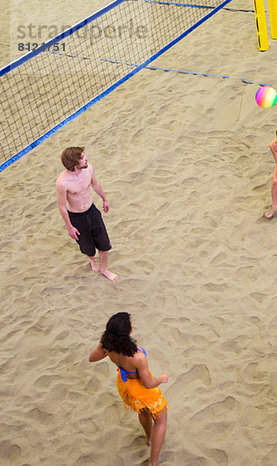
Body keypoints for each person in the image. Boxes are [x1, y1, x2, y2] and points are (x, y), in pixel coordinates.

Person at [89, 312, 168, 466]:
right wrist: (161, 379)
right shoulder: (137, 357)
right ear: (127, 332)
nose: (132, 324)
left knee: (143, 412)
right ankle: (153, 462)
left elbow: (92, 358)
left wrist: (104, 343)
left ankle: (149, 438)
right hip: (141, 390)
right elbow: (148, 384)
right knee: (161, 420)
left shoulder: (107, 345)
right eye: (131, 323)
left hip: (125, 386)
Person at [56, 146, 118, 281]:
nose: (86, 159)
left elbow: (95, 184)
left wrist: (104, 199)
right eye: (82, 158)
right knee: (87, 247)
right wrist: (69, 227)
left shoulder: (88, 169)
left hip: (92, 211)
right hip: (76, 218)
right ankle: (93, 261)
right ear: (74, 164)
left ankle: (104, 269)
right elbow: (62, 206)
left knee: (104, 243)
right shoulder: (62, 183)